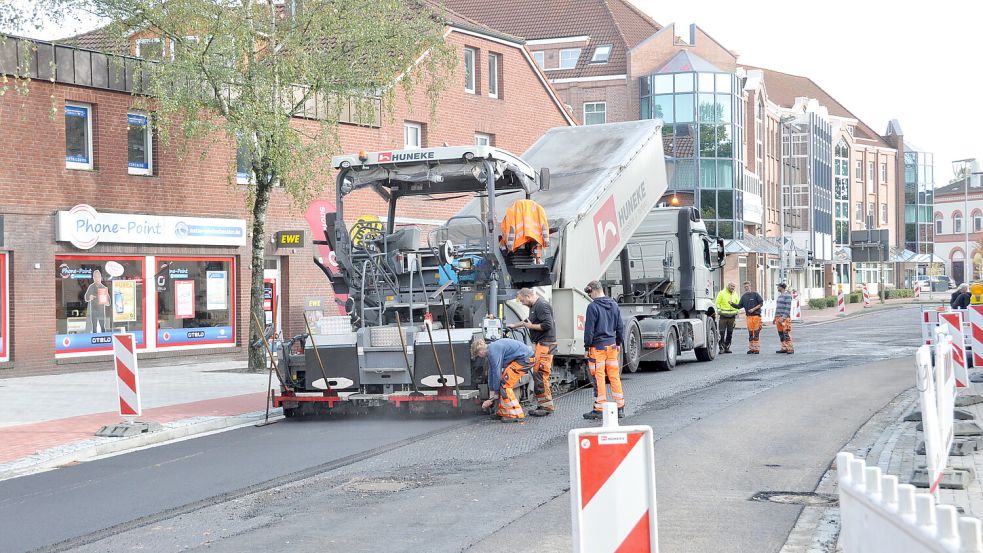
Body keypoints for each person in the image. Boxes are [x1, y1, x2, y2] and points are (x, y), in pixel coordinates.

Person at [509, 288, 556, 416]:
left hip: (545, 345)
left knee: (540, 374)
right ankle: (543, 405)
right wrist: (515, 325)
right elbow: (529, 321)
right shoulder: (534, 306)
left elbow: (547, 325)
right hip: (542, 344)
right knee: (538, 374)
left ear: (529, 296)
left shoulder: (542, 305)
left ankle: (546, 407)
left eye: (523, 300)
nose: (523, 303)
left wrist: (530, 327)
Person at [582, 280, 625, 420]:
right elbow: (620, 326)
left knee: (599, 377)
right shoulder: (614, 304)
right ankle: (620, 407)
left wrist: (587, 347)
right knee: (614, 376)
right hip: (612, 346)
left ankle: (600, 408)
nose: (590, 296)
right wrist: (618, 342)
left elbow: (589, 330)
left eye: (590, 293)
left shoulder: (592, 307)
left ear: (593, 290)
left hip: (597, 348)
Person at [472, 337, 533, 423]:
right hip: (521, 358)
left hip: (525, 359)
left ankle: (515, 414)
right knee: (501, 383)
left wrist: (495, 394)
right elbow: (491, 372)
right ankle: (503, 412)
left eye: (478, 355)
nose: (479, 357)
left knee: (505, 384)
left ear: (480, 351)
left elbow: (496, 373)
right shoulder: (490, 350)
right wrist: (492, 391)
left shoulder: (493, 351)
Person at [731, 281, 764, 354]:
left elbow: (761, 303)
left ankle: (756, 349)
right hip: (749, 317)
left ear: (750, 286)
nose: (746, 288)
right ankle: (751, 348)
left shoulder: (755, 294)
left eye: (747, 286)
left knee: (756, 333)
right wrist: (732, 304)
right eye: (745, 287)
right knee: (750, 333)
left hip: (756, 316)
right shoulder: (744, 296)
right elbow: (739, 306)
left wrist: (753, 309)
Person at [715, 282, 740, 353]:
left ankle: (727, 347)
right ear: (728, 286)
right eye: (731, 286)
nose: (732, 288)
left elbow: (738, 304)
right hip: (723, 316)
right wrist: (719, 310)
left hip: (732, 317)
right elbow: (717, 302)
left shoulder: (735, 294)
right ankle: (721, 348)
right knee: (722, 333)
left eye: (734, 287)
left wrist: (737, 311)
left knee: (730, 333)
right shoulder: (722, 293)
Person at [84, 269, 110, 333]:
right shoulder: (91, 287)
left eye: (98, 277)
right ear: (93, 278)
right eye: (95, 277)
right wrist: (89, 297)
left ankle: (104, 339)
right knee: (94, 328)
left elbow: (109, 302)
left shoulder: (103, 288)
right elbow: (86, 297)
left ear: (101, 278)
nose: (97, 278)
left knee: (103, 327)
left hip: (101, 312)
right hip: (93, 311)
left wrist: (106, 302)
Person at [774, 283, 794, 354]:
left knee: (786, 333)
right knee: (781, 334)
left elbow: (788, 308)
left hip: (784, 318)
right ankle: (784, 347)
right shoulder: (780, 296)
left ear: (782, 287)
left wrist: (784, 317)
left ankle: (790, 348)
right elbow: (777, 308)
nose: (777, 288)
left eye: (778, 287)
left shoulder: (788, 296)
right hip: (778, 317)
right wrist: (775, 317)